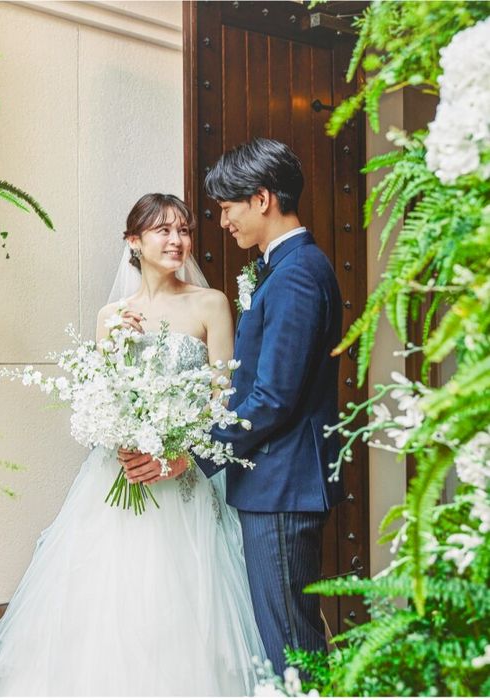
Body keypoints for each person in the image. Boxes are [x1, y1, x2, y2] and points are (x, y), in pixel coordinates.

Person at [0, 193, 265, 696]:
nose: (177, 241)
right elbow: (103, 399)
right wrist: (118, 399)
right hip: (118, 480)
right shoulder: (111, 315)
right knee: (106, 606)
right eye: (163, 230)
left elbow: (224, 401)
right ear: (134, 241)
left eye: (184, 230)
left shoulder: (210, 304)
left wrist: (180, 453)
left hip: (182, 482)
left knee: (182, 608)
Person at [124, 140, 345, 675]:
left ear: (262, 199)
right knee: (286, 639)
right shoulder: (284, 267)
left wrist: (193, 455)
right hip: (274, 483)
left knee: (291, 648)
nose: (222, 222)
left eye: (227, 207)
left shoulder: (296, 273)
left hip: (282, 485)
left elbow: (273, 397)